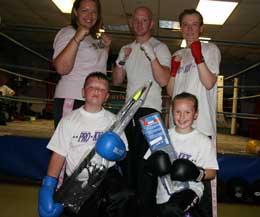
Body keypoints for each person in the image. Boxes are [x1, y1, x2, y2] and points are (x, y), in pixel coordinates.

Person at [38, 72, 136, 217]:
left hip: (105, 178)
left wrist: (118, 151)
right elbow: (58, 155)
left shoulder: (114, 121)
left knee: (125, 195)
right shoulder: (69, 121)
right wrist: (48, 186)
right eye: (92, 87)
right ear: (83, 92)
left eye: (102, 89)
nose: (97, 91)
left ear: (107, 96)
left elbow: (123, 154)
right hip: (77, 180)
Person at [112, 6, 171, 217]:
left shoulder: (161, 47)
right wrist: (120, 61)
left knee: (147, 167)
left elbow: (164, 80)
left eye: (144, 20)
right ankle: (129, 211)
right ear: (131, 23)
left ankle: (146, 212)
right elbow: (117, 81)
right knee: (129, 165)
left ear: (151, 23)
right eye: (135, 20)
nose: (139, 23)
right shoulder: (126, 47)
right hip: (129, 112)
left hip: (151, 113)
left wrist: (152, 56)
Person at [166, 9, 221, 217]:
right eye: (186, 25)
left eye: (194, 24)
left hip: (201, 127)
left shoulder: (210, 49)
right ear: (180, 28)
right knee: (177, 184)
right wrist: (173, 71)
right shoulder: (178, 55)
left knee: (203, 187)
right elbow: (171, 92)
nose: (189, 29)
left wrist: (198, 57)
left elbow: (209, 82)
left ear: (201, 28)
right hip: (177, 129)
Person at [145, 92, 219, 217]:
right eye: (178, 112)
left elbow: (212, 172)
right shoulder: (162, 137)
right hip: (163, 194)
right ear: (172, 113)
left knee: (172, 210)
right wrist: (153, 167)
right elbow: (148, 166)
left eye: (187, 112)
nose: (182, 116)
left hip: (191, 190)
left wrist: (196, 173)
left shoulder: (203, 140)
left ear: (195, 114)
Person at [53, 0, 111, 128]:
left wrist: (105, 48)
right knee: (66, 145)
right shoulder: (68, 32)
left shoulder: (93, 38)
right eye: (85, 10)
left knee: (86, 145)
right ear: (75, 12)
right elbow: (61, 68)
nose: (90, 16)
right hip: (73, 97)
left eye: (94, 12)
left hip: (93, 99)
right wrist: (76, 38)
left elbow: (96, 67)